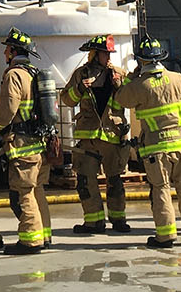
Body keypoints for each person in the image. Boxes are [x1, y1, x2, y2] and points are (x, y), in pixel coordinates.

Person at [111, 36, 181, 248]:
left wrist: (130, 77)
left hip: (157, 149)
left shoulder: (139, 86)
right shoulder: (178, 78)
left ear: (141, 61)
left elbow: (120, 99)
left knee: (161, 190)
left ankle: (166, 236)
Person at [59, 34, 132, 235]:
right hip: (88, 138)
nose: (108, 57)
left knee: (115, 181)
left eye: (110, 53)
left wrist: (119, 87)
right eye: (104, 53)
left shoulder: (119, 74)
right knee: (85, 180)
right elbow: (66, 100)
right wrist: (81, 88)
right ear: (94, 54)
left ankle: (118, 220)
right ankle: (94, 222)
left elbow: (129, 101)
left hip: (113, 136)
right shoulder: (81, 74)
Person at [0, 27, 53, 254]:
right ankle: (44, 236)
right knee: (37, 191)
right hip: (39, 144)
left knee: (23, 192)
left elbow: (7, 110)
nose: (5, 52)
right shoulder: (35, 73)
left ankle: (30, 241)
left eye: (7, 48)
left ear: (13, 51)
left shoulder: (14, 75)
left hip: (22, 145)